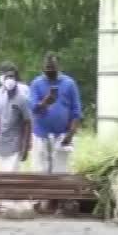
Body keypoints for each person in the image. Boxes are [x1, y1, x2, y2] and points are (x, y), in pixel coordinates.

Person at [29, 52, 82, 214]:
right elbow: (33, 108)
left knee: (61, 170)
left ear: (59, 67)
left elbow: (76, 111)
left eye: (52, 67)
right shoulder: (36, 83)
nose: (49, 69)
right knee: (41, 169)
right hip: (41, 134)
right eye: (46, 67)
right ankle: (42, 203)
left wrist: (70, 134)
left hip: (63, 135)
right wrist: (46, 101)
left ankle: (60, 204)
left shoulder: (69, 83)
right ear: (42, 68)